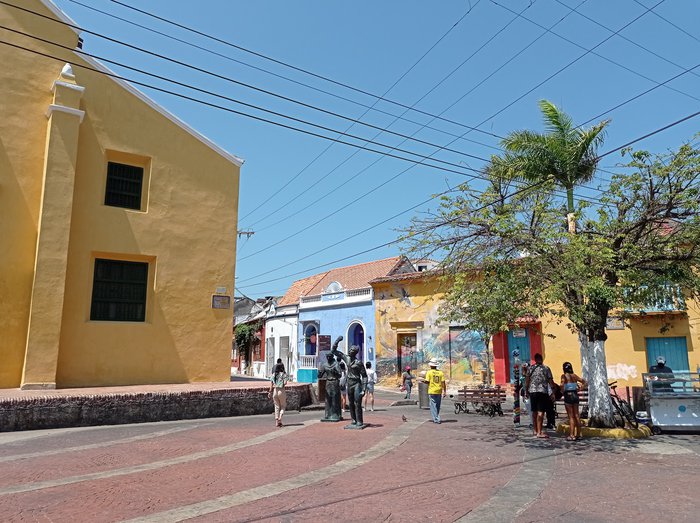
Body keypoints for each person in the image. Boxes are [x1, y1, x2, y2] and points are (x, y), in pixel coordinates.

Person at [333, 339, 368, 429]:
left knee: (357, 403)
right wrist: (337, 341)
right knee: (351, 403)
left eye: (352, 350)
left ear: (355, 352)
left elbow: (364, 376)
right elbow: (334, 351)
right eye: (349, 349)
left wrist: (364, 389)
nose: (349, 351)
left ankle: (359, 421)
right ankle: (353, 420)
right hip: (349, 383)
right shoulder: (347, 358)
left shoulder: (359, 363)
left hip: (357, 384)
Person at [525, 353, 557, 438]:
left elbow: (527, 381)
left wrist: (526, 391)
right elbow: (550, 381)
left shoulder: (530, 368)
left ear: (535, 360)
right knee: (540, 412)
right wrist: (553, 392)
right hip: (542, 391)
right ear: (542, 359)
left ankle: (535, 430)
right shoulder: (546, 368)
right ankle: (539, 432)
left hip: (532, 391)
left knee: (534, 411)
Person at [560, 362, 587, 441]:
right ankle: (579, 434)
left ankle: (571, 435)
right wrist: (580, 389)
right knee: (577, 415)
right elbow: (585, 382)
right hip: (575, 395)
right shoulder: (574, 376)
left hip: (568, 396)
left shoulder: (564, 376)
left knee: (571, 416)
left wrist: (562, 390)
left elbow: (561, 384)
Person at [318, 351, 342, 421]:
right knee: (328, 398)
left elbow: (340, 375)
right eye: (327, 357)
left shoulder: (336, 364)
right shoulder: (324, 365)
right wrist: (319, 372)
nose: (328, 358)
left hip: (334, 382)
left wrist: (335, 372)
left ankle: (334, 414)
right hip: (328, 382)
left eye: (329, 357)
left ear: (332, 357)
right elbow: (320, 375)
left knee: (334, 398)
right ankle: (327, 414)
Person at [421, 358, 447, 424]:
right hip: (439, 390)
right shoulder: (440, 373)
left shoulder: (429, 372)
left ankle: (436, 419)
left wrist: (422, 380)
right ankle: (437, 417)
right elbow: (443, 382)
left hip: (432, 390)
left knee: (433, 406)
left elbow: (427, 381)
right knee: (437, 405)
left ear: (430, 365)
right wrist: (445, 391)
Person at [268, 362, 289, 427]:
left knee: (276, 406)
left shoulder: (274, 374)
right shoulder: (284, 374)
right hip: (281, 390)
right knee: (283, 406)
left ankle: (277, 422)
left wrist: (270, 392)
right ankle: (280, 417)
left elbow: (271, 384)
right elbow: (285, 383)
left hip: (275, 390)